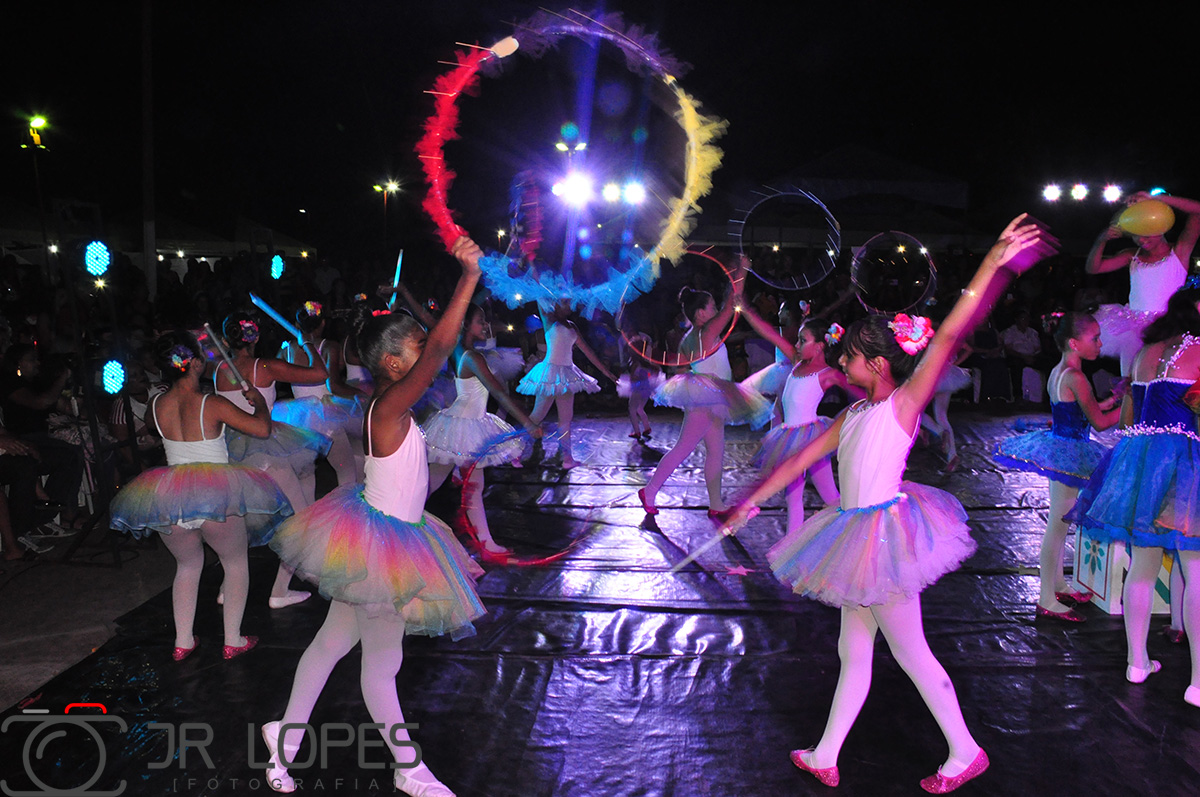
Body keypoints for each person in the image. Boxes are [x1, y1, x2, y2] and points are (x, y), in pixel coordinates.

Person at [723, 215, 1054, 792]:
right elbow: (795, 464)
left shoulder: (902, 405)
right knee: (854, 650)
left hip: (884, 541)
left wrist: (991, 264)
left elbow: (949, 333)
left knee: (911, 652)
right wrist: (748, 502)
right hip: (855, 539)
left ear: (876, 364)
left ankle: (965, 751)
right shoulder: (851, 413)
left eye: (848, 357)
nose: (839, 363)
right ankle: (826, 753)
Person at [264, 238, 487, 797]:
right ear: (392, 363)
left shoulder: (388, 406)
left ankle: (284, 735)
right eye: (417, 347)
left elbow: (433, 344)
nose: (428, 352)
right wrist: (468, 277)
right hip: (380, 546)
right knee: (382, 665)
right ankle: (409, 769)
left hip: (379, 539)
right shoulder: (387, 408)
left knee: (330, 644)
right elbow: (442, 346)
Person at [109, 331, 291, 661]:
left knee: (187, 565)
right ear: (194, 363)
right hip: (215, 492)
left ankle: (183, 641)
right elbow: (262, 429)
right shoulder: (212, 403)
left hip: (172, 494)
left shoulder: (155, 405)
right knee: (235, 563)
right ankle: (233, 639)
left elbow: (154, 426)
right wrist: (260, 403)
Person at [1067, 282, 1200, 702]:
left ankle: (1137, 662)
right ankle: (1199, 682)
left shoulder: (1145, 353)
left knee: (1142, 565)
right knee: (1195, 568)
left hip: (1141, 458)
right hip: (1184, 459)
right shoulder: (1198, 349)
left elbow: (1129, 420)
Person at [994, 312, 1119, 620]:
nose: (1100, 344)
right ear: (1074, 343)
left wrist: (1111, 400)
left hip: (1063, 450)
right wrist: (1131, 407)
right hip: (1069, 456)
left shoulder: (1060, 371)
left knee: (1059, 523)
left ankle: (1058, 584)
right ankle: (1046, 598)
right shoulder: (1076, 377)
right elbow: (1100, 423)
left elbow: (1082, 410)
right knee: (1058, 525)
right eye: (1095, 338)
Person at [215, 314, 332, 609]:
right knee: (300, 520)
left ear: (227, 340)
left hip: (231, 451)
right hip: (266, 449)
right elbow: (320, 374)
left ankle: (227, 588)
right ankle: (279, 590)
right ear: (255, 338)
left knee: (240, 522)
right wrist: (308, 344)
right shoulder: (264, 367)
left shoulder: (219, 370)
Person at [639, 258, 771, 515]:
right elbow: (731, 303)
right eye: (711, 306)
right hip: (707, 399)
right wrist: (742, 271)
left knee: (715, 452)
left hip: (711, 398)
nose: (715, 310)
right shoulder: (707, 332)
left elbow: (682, 370)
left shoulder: (689, 339)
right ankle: (650, 490)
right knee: (683, 448)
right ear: (700, 313)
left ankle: (716, 504)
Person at [424, 303, 541, 557]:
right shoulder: (472, 357)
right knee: (445, 485)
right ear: (466, 324)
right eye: (480, 320)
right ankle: (397, 521)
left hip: (462, 422)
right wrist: (528, 422)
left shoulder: (460, 350)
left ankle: (486, 542)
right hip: (465, 426)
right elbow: (498, 392)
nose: (486, 325)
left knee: (442, 483)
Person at [740, 303, 856, 534]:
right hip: (788, 438)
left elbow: (858, 392)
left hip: (812, 438)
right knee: (793, 498)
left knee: (831, 497)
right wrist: (746, 310)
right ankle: (790, 545)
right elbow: (770, 334)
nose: (796, 344)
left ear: (820, 346)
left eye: (803, 341)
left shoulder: (828, 374)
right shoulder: (796, 361)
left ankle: (853, 533)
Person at [1086, 192, 1200, 376]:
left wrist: (1159, 198)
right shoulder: (1132, 255)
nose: (1141, 240)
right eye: (1136, 235)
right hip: (1134, 328)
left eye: (1147, 235)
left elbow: (1198, 211)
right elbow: (1094, 268)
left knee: (1163, 375)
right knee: (1130, 378)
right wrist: (1101, 241)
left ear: (1160, 226)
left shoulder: (1179, 251)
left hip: (1170, 325)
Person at [273, 300, 366, 487]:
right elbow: (334, 386)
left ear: (297, 324)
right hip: (326, 417)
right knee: (346, 470)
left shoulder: (286, 351)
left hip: (298, 419)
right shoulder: (329, 346)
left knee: (306, 475)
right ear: (323, 323)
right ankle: (346, 505)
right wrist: (361, 393)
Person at [518, 298, 617, 469]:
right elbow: (540, 296)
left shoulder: (572, 326)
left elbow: (588, 352)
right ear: (555, 303)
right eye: (566, 302)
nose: (570, 306)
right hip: (550, 374)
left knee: (566, 419)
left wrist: (607, 373)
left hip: (567, 375)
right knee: (536, 417)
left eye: (571, 303)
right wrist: (539, 279)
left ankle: (567, 458)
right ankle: (515, 453)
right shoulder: (549, 319)